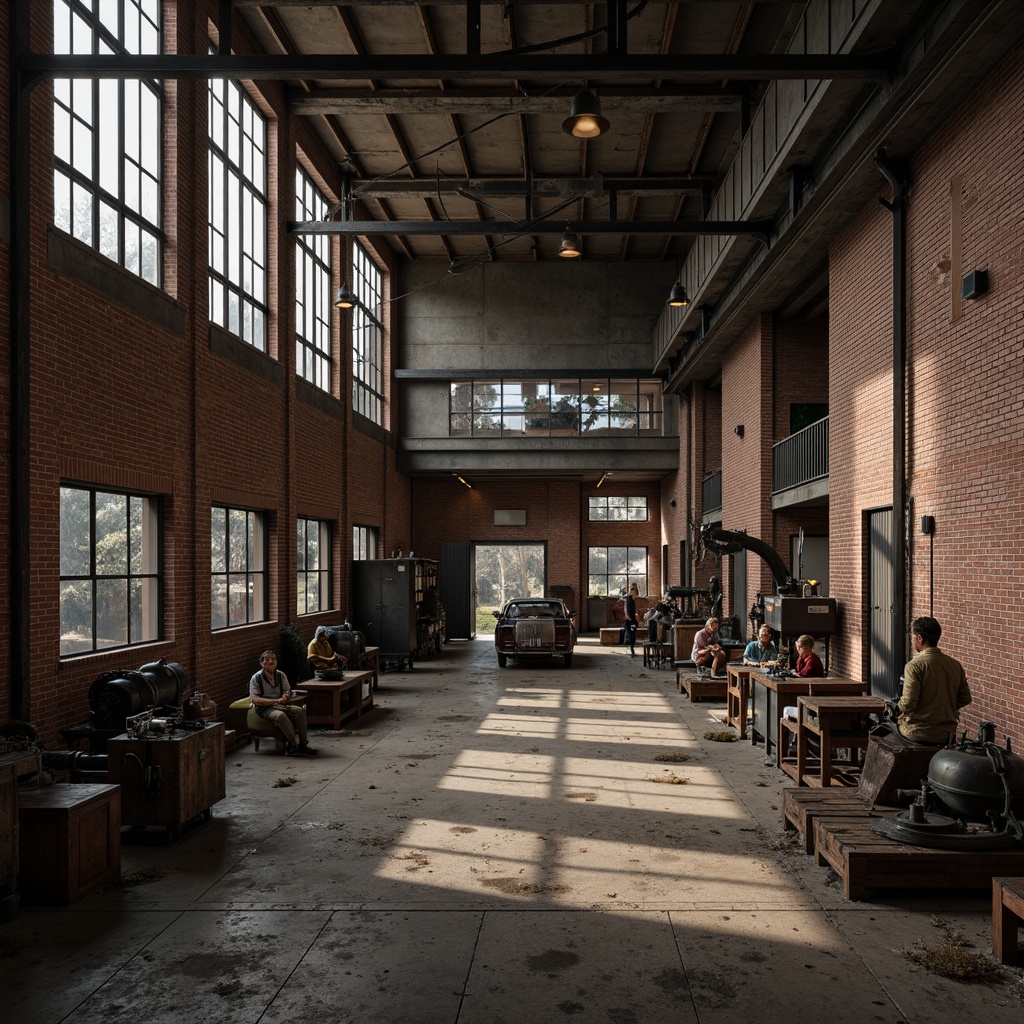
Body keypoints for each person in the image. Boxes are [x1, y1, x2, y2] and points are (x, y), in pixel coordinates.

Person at [895, 616, 971, 744]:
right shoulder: (955, 664)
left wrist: (895, 709)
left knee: (885, 729)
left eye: (912, 636)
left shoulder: (914, 666)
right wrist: (945, 708)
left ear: (919, 638)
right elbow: (965, 698)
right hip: (947, 734)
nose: (912, 640)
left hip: (918, 732)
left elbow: (908, 702)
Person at [249, 650, 317, 756]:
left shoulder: (281, 675)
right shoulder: (256, 678)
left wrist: (286, 696)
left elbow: (287, 690)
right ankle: (293, 744)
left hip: (281, 705)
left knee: (300, 711)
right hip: (265, 709)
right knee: (280, 716)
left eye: (273, 659)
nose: (271, 662)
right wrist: (275, 701)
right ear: (262, 663)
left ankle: (303, 743)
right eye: (267, 659)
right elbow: (255, 699)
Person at [622, 583, 639, 657]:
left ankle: (632, 648)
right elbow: (625, 607)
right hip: (630, 619)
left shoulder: (632, 599)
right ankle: (632, 648)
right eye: (634, 591)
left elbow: (633, 609)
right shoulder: (628, 599)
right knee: (632, 634)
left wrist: (636, 613)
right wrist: (627, 615)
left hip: (632, 619)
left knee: (633, 634)